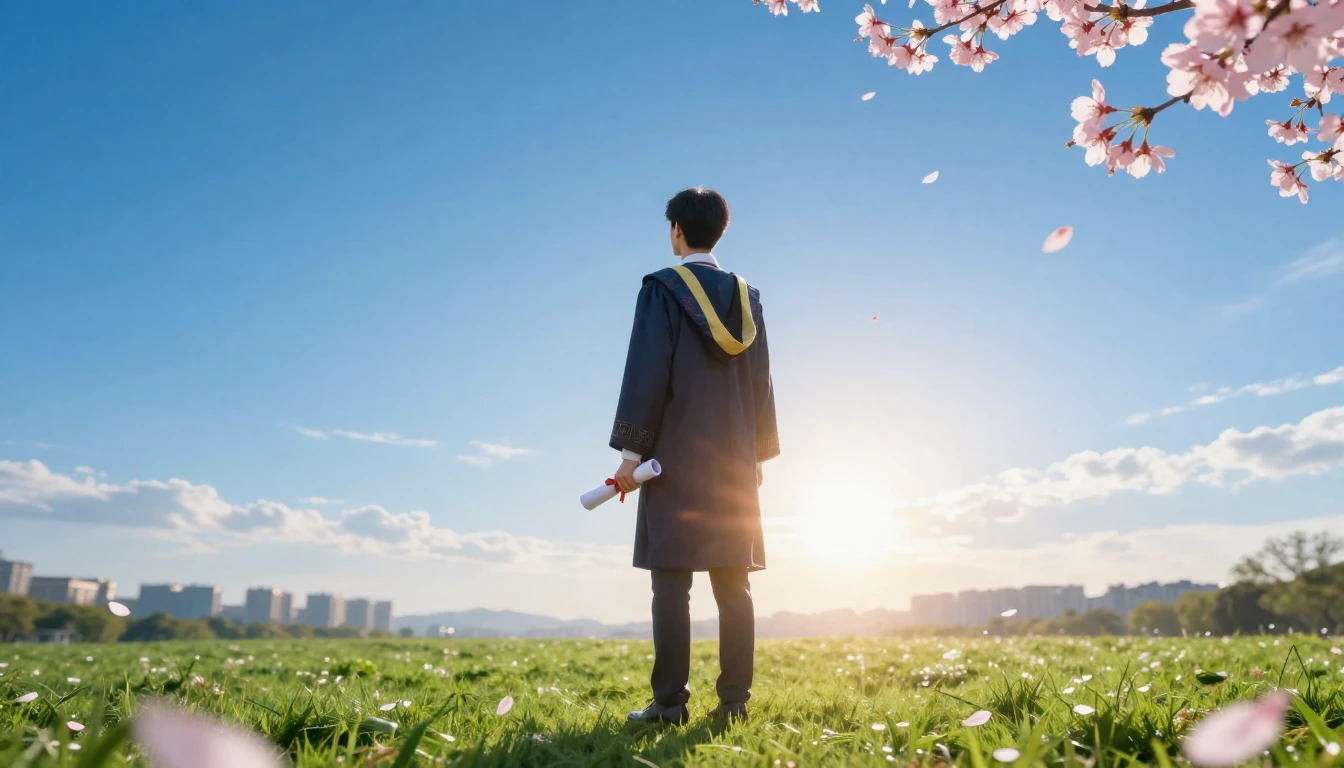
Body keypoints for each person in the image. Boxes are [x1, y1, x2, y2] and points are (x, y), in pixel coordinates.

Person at [609, 187, 779, 725]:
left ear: (677, 230)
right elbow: (761, 383)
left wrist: (630, 455)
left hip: (674, 457)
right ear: (720, 231)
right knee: (734, 583)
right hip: (733, 461)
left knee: (671, 581)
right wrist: (757, 457)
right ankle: (733, 705)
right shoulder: (747, 298)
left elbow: (646, 374)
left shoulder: (661, 290)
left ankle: (668, 704)